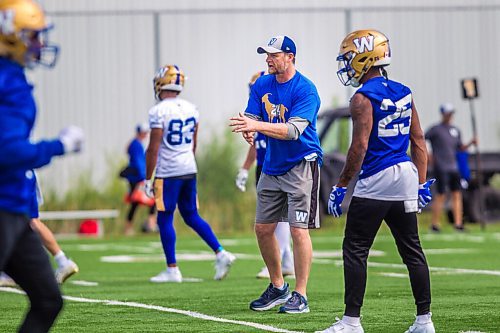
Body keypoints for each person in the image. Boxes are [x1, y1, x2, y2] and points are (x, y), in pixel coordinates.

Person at [316, 30, 435, 333]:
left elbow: (359, 147)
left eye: (349, 58)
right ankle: (424, 320)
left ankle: (351, 322)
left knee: (355, 248)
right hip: (406, 175)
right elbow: (418, 139)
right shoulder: (405, 91)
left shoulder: (362, 97)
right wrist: (421, 183)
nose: (347, 65)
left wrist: (341, 184)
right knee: (412, 250)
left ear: (365, 57)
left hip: (378, 178)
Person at [0, 1, 84, 332]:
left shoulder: (12, 75)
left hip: (16, 208)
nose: (38, 44)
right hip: (3, 204)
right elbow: (9, 152)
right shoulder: (10, 83)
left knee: (48, 299)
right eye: (32, 36)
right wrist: (59, 145)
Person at [230, 35, 322, 314]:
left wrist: (255, 127)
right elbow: (254, 115)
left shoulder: (306, 90)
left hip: (301, 164)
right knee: (263, 229)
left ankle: (301, 295)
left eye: (274, 55)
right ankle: (278, 286)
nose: (268, 60)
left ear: (290, 57)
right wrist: (250, 126)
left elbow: (293, 131)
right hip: (272, 165)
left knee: (298, 230)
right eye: (266, 55)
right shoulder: (262, 83)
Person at [145, 64, 236, 283]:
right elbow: (193, 144)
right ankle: (221, 252)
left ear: (161, 83)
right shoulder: (191, 108)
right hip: (189, 168)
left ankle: (172, 269)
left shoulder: (158, 111)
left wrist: (148, 178)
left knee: (164, 217)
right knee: (191, 215)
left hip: (168, 172)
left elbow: (153, 148)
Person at [235, 71, 295, 280]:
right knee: (272, 219)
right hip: (263, 166)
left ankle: (281, 261)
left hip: (278, 166)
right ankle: (284, 261)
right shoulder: (258, 112)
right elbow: (255, 145)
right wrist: (244, 168)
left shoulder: (274, 113)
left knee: (277, 219)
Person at [0, 172, 80, 286]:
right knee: (31, 221)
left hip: (16, 175)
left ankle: (63, 262)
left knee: (31, 221)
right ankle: (63, 262)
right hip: (20, 174)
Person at [425, 103, 477, 232]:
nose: (450, 116)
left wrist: (471, 142)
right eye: (448, 113)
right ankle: (435, 224)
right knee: (441, 194)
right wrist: (427, 155)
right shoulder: (435, 129)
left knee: (457, 194)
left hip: (454, 167)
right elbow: (422, 140)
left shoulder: (455, 130)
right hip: (441, 167)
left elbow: (460, 147)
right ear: (443, 114)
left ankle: (458, 224)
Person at [122, 123, 156, 235]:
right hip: (138, 178)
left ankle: (133, 227)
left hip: (136, 178)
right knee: (149, 200)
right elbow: (138, 163)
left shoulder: (136, 144)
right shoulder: (136, 145)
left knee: (137, 203)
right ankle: (149, 225)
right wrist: (144, 177)